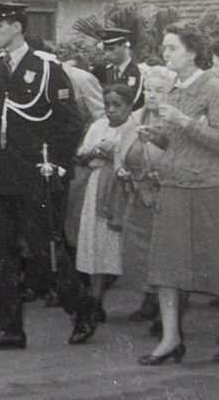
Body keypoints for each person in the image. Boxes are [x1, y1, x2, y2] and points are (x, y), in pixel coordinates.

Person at [0, 3, 94, 351]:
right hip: (0, 172)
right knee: (2, 251)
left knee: (44, 250)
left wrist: (54, 164)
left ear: (18, 27)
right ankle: (10, 328)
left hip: (35, 174)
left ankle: (81, 308)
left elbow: (70, 123)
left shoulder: (46, 68)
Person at [136, 24, 219, 365]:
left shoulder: (215, 88)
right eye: (165, 47)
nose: (166, 54)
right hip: (173, 186)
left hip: (207, 186)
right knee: (167, 266)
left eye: (171, 48)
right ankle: (171, 339)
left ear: (192, 51)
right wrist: (155, 135)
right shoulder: (172, 89)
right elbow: (176, 142)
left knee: (217, 263)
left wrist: (185, 122)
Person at [74, 84, 135, 320]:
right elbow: (81, 154)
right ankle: (96, 299)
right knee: (97, 242)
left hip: (123, 187)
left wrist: (114, 152)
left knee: (126, 243)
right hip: (98, 185)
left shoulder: (134, 128)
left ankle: (150, 303)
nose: (111, 110)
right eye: (107, 104)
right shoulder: (98, 126)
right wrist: (94, 152)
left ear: (130, 107)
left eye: (117, 105)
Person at [117, 66, 172, 323]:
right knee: (138, 252)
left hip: (164, 196)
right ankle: (149, 298)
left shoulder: (173, 121)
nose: (152, 95)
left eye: (159, 90)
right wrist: (122, 171)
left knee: (166, 253)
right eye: (149, 89)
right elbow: (121, 150)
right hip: (136, 195)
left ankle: (169, 312)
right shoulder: (135, 118)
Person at [97, 27, 145, 110]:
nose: (107, 54)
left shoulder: (139, 72)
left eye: (111, 49)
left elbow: (134, 102)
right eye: (105, 50)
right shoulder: (108, 71)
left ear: (124, 46)